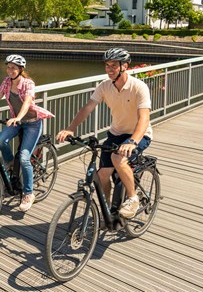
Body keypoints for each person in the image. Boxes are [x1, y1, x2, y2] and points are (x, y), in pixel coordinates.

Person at [56, 47, 152, 219]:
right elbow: (88, 108)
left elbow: (144, 118)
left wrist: (133, 141)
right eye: (107, 65)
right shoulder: (104, 86)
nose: (109, 69)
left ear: (125, 66)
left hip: (138, 134)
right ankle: (106, 210)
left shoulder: (139, 87)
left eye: (113, 65)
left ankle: (133, 198)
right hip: (115, 133)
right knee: (101, 175)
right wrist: (71, 128)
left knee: (118, 159)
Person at [0, 54, 54, 212]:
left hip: (32, 123)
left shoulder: (28, 83)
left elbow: (27, 102)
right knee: (1, 141)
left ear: (20, 69)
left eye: (13, 68)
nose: (10, 70)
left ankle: (28, 194)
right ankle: (10, 164)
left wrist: (18, 117)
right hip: (16, 121)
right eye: (8, 67)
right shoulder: (6, 82)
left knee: (24, 158)